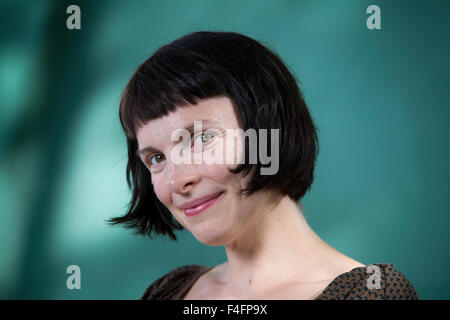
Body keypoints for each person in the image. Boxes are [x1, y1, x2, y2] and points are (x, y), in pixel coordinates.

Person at [108, 31, 418, 300]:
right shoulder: (169, 291)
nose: (177, 181)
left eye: (201, 138)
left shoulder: (371, 294)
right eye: (157, 158)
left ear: (269, 131)